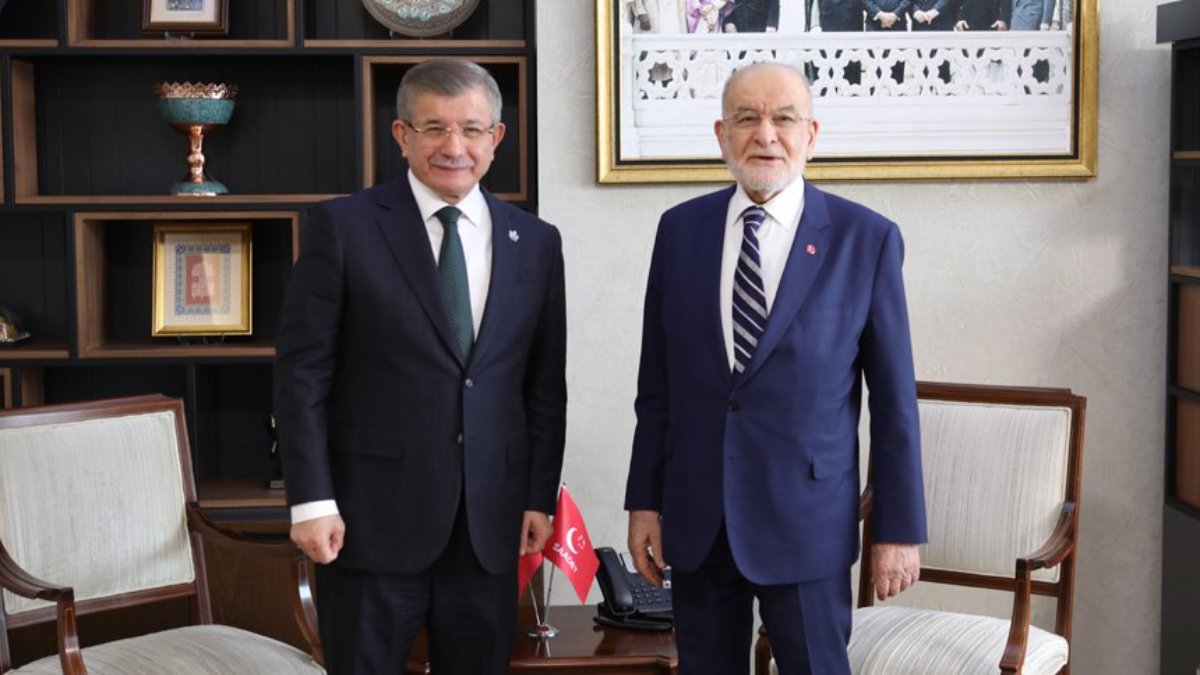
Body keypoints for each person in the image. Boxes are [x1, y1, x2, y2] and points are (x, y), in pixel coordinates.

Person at [624, 62, 926, 675]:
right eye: (746, 118)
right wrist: (644, 503)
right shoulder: (680, 231)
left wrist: (897, 530)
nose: (765, 135)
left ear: (811, 134)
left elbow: (895, 402)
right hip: (699, 518)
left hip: (807, 522)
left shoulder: (865, 239)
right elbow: (657, 388)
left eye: (784, 118)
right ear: (721, 135)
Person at [274, 58, 567, 675]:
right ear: (402, 135)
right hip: (367, 525)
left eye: (472, 129)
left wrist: (537, 498)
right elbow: (302, 376)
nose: (454, 147)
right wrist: (311, 501)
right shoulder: (344, 227)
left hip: (489, 528)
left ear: (497, 137)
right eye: (434, 128)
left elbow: (543, 389)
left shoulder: (537, 242)